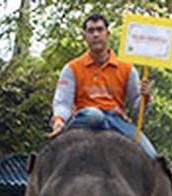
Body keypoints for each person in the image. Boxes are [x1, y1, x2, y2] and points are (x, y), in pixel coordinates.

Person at [49, 13, 156, 156]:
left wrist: (146, 96)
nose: (95, 35)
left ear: (108, 34)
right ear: (85, 37)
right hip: (86, 117)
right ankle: (69, 135)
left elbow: (137, 107)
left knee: (152, 156)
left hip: (116, 120)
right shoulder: (72, 68)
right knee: (94, 115)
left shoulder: (127, 68)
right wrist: (59, 121)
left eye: (100, 30)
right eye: (91, 31)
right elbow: (63, 102)